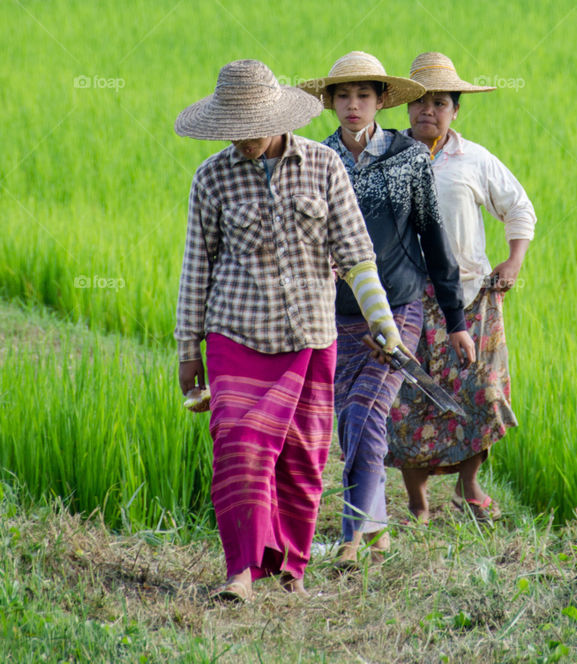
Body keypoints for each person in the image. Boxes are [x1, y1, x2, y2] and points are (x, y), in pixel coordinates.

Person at [174, 59, 406, 602]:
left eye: (251, 127)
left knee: (303, 456)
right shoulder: (211, 176)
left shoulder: (324, 167)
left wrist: (382, 320)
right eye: (233, 129)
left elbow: (355, 252)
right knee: (237, 445)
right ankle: (240, 571)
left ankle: (289, 569)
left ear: (277, 118)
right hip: (235, 332)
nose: (244, 140)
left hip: (309, 336)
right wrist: (188, 350)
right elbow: (196, 267)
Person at [298, 52, 475, 563]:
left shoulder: (408, 158)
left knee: (366, 414)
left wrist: (457, 321)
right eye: (343, 96)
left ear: (380, 101)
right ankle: (377, 532)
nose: (353, 106)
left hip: (398, 307)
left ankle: (352, 537)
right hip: (335, 314)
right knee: (352, 424)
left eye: (364, 96)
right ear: (330, 102)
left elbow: (433, 239)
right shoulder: (316, 158)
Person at [386, 52, 536, 523]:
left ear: (455, 110)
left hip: (472, 297)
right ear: (406, 108)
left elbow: (520, 209)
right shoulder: (387, 158)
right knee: (408, 397)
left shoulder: (474, 160)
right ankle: (417, 500)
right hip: (407, 298)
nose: (428, 110)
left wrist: (513, 261)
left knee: (481, 392)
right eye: (420, 102)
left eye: (440, 103)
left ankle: (468, 488)